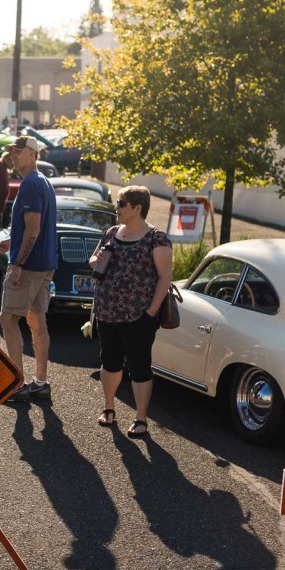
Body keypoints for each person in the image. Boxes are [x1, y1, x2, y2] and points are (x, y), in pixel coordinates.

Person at [88, 185, 173, 437]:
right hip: (107, 311)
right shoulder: (112, 232)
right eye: (117, 203)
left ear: (138, 207)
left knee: (139, 367)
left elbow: (164, 277)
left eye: (121, 203)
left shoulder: (157, 238)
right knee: (109, 362)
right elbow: (93, 260)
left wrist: (150, 312)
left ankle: (140, 418)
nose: (117, 208)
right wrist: (98, 259)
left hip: (139, 315)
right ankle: (109, 408)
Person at [0, 136, 58, 403]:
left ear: (32, 154)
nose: (13, 155)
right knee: (37, 320)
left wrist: (18, 264)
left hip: (30, 266)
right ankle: (41, 383)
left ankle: (18, 385)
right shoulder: (43, 182)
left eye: (18, 151)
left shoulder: (31, 184)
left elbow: (33, 229)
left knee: (8, 319)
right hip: (45, 265)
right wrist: (13, 240)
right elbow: (35, 228)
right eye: (11, 151)